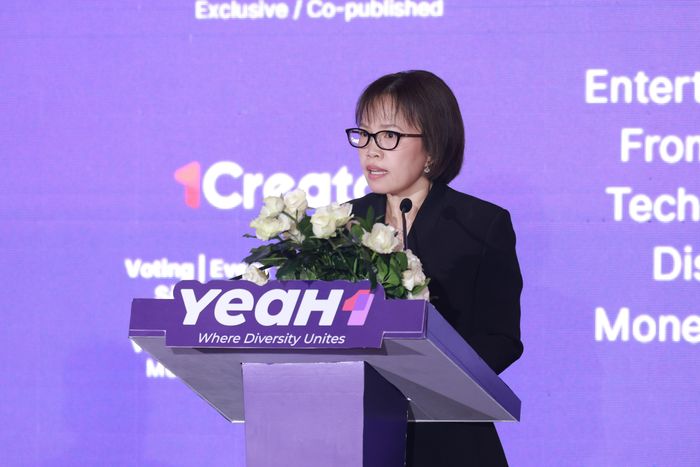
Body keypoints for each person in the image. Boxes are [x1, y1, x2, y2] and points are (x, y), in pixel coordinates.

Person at [345, 70, 523, 467]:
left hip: (448, 437)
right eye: (364, 134)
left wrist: (426, 373)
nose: (371, 151)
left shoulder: (480, 224)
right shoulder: (343, 224)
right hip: (355, 435)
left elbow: (502, 339)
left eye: (389, 136)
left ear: (433, 149)